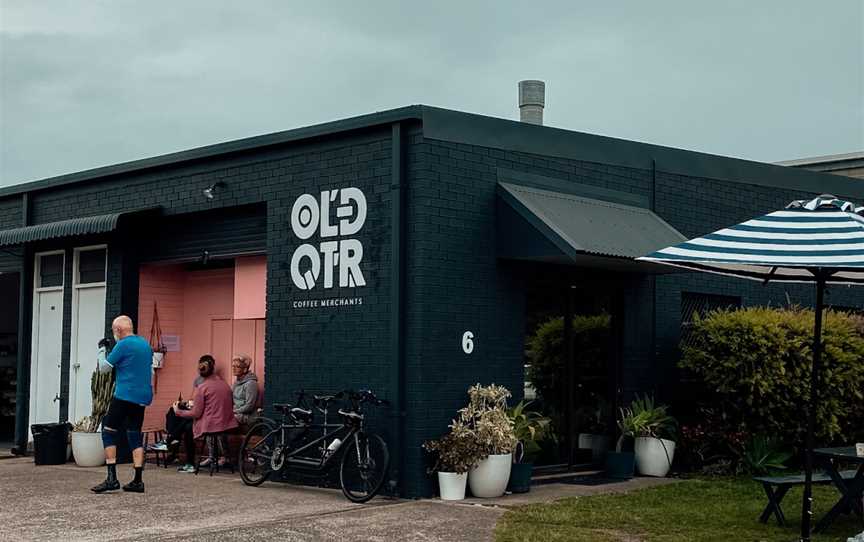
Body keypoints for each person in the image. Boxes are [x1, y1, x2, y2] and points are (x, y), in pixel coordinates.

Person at [91, 315, 153, 494]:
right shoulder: (145, 345)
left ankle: (111, 478)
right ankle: (138, 480)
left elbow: (104, 368)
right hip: (142, 397)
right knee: (134, 433)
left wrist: (102, 349)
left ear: (118, 330)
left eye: (113, 330)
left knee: (108, 431)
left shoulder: (123, 344)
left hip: (125, 394)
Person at [172, 355, 238, 472]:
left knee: (187, 427)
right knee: (186, 422)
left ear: (200, 371)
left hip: (212, 425)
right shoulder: (225, 385)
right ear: (213, 369)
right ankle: (172, 440)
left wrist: (178, 412)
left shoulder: (202, 388)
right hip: (227, 423)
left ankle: (189, 462)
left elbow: (196, 414)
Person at [231, 354, 259, 425]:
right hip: (236, 413)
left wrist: (234, 411)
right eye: (233, 366)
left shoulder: (251, 383)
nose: (234, 369)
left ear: (245, 369)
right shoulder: (236, 382)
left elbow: (249, 406)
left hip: (247, 416)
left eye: (237, 367)